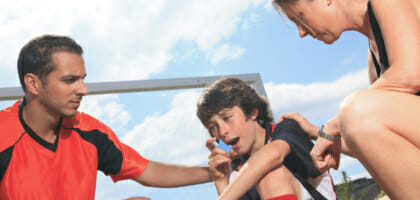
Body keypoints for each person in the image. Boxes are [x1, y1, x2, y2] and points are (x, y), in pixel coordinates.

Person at [0, 34, 212, 199]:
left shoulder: (90, 132)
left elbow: (148, 171)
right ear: (33, 84)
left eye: (82, 79)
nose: (83, 89)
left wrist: (216, 172)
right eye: (70, 80)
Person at [270, 0, 420, 199]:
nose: (301, 32)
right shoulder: (375, 63)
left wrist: (336, 122)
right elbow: (371, 138)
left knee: (356, 110)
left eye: (301, 18)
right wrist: (318, 132)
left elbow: (411, 74)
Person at [196, 77, 336, 200]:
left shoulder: (287, 129)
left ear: (252, 112)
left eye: (227, 118)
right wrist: (220, 179)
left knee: (269, 174)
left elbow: (271, 155)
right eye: (213, 126)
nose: (222, 131)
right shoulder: (235, 171)